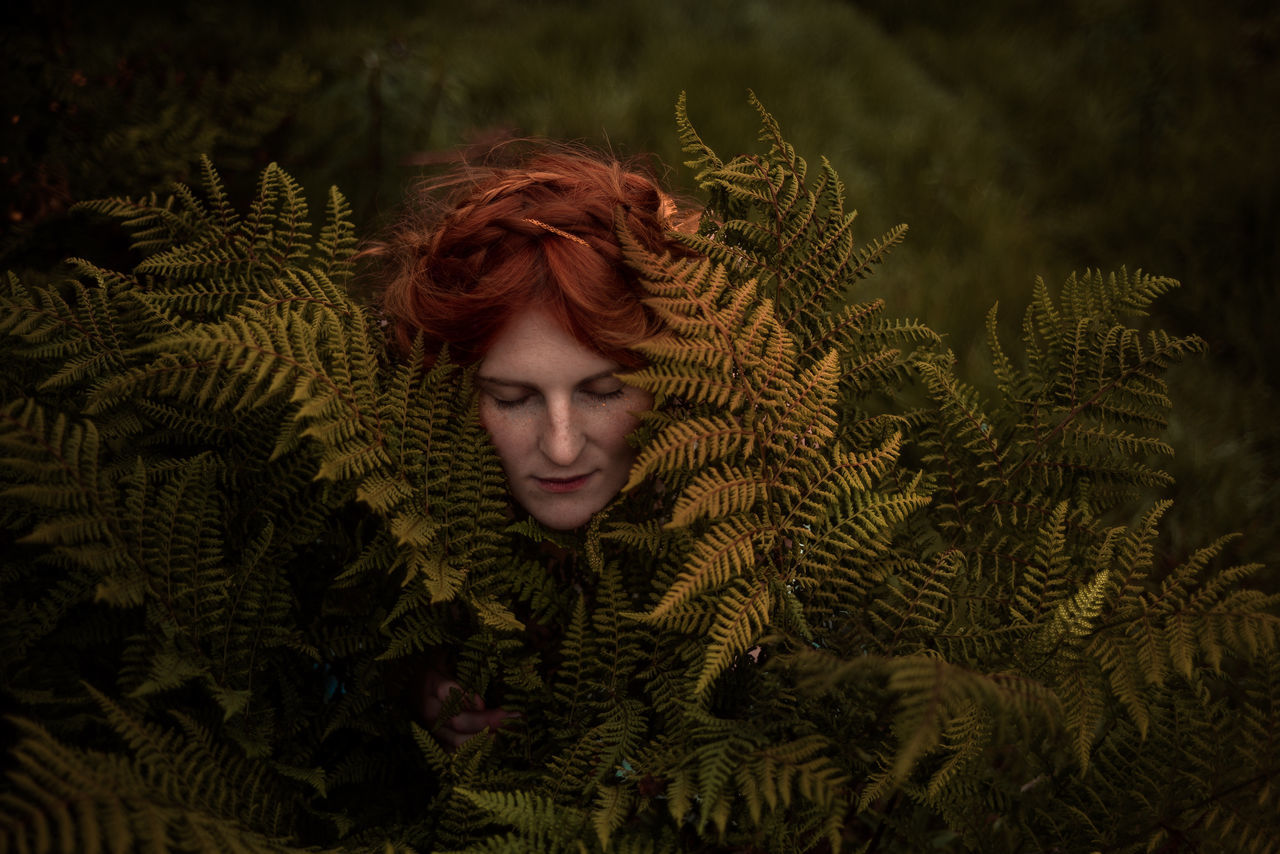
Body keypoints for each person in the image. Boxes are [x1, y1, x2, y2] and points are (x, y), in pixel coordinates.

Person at [367, 144, 697, 748]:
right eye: (513, 399)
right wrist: (408, 682)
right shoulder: (383, 513)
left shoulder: (756, 528)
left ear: (673, 378)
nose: (563, 448)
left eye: (601, 391)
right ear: (448, 389)